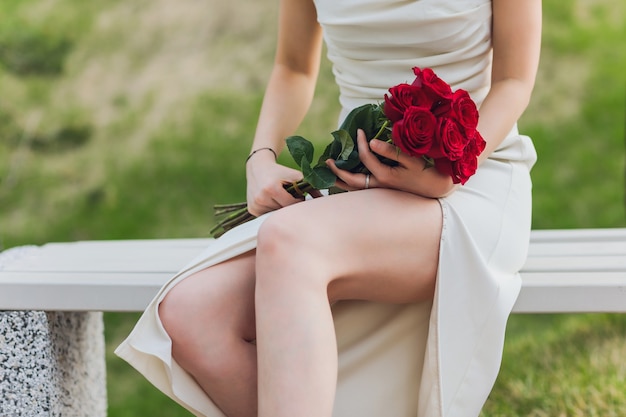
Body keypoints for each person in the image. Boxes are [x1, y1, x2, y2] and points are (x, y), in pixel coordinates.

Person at [115, 0, 541, 416]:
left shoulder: (464, 171)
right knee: (192, 314)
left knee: (289, 239)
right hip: (354, 182)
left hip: (472, 178)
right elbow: (293, 67)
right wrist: (260, 158)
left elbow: (514, 80)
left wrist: (451, 171)